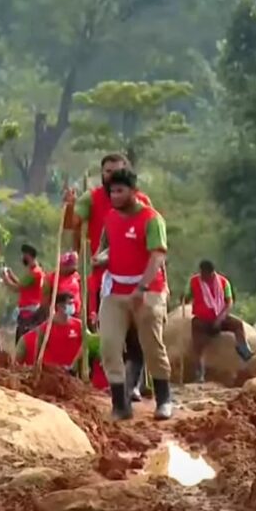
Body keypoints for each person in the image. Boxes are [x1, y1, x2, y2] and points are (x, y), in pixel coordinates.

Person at [72, 154, 152, 401]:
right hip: (105, 280)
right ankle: (117, 385)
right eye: (107, 172)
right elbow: (74, 224)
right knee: (110, 337)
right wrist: (70, 211)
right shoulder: (92, 199)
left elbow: (153, 239)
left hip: (137, 279)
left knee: (137, 335)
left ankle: (133, 385)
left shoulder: (143, 203)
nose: (111, 176)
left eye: (117, 171)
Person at [97, 168, 172, 421]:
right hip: (115, 291)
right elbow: (107, 248)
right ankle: (120, 404)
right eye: (112, 191)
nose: (115, 196)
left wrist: (141, 287)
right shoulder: (110, 218)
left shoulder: (152, 219)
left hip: (148, 291)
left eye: (120, 190)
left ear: (133, 192)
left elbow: (158, 255)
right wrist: (100, 259)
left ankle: (164, 400)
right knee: (109, 345)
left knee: (151, 345)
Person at [185, 260, 252, 382]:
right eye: (202, 274)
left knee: (237, 324)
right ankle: (199, 373)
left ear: (212, 273)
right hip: (202, 320)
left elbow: (229, 302)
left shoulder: (223, 282)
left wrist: (220, 318)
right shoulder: (194, 281)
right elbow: (188, 296)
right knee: (197, 342)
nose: (204, 277)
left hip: (220, 318)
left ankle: (244, 351)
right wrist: (184, 298)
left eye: (207, 275)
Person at [3, 244, 44, 342]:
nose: (22, 258)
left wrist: (5, 277)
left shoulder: (34, 273)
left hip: (28, 313)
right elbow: (23, 286)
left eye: (24, 255)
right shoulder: (36, 271)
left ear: (28, 255)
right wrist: (11, 275)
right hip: (30, 311)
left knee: (23, 341)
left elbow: (16, 288)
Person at [40, 251, 81, 320]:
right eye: (71, 265)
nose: (74, 268)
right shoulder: (50, 279)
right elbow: (45, 301)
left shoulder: (76, 276)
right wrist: (51, 316)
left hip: (76, 314)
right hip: (60, 315)